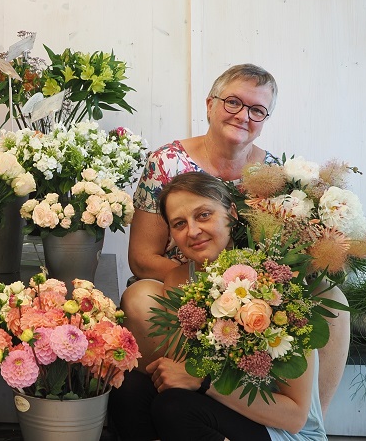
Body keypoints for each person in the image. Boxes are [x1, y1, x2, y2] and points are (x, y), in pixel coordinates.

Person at [121, 63, 348, 411]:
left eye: (257, 110)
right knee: (140, 297)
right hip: (183, 286)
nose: (243, 115)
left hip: (257, 292)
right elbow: (141, 257)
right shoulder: (165, 163)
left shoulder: (273, 174)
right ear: (210, 104)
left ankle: (301, 424)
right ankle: (197, 397)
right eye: (233, 103)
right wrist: (207, 290)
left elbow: (280, 252)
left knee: (332, 299)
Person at [110, 172, 328, 440]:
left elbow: (295, 417)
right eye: (179, 223)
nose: (192, 231)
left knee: (175, 406)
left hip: (280, 428)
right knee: (128, 388)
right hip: (219, 407)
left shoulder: (272, 281)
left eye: (203, 215)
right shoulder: (179, 280)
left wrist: (202, 383)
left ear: (232, 213)